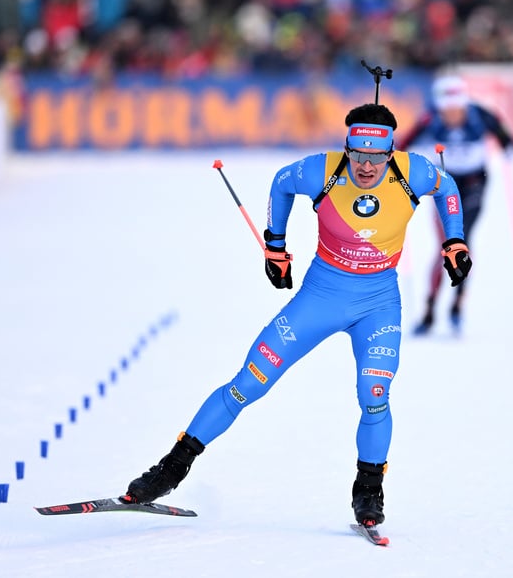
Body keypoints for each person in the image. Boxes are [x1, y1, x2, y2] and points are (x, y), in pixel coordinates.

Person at [123, 102, 471, 527]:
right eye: (357, 156)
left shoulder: (411, 171)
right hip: (321, 298)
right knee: (247, 384)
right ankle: (171, 469)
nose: (365, 167)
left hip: (379, 304)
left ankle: (368, 491)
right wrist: (275, 244)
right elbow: (281, 183)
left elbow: (449, 187)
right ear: (347, 148)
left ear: (390, 152)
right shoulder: (322, 170)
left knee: (374, 397)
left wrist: (454, 241)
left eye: (376, 158)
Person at [396, 73, 513, 336]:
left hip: (475, 183)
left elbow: (506, 136)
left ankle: (457, 307)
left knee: (462, 242)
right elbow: (401, 146)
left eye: (457, 106)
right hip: (443, 186)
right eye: (447, 108)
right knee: (444, 247)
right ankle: (429, 311)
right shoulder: (429, 118)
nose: (453, 112)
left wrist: (509, 147)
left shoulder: (481, 115)